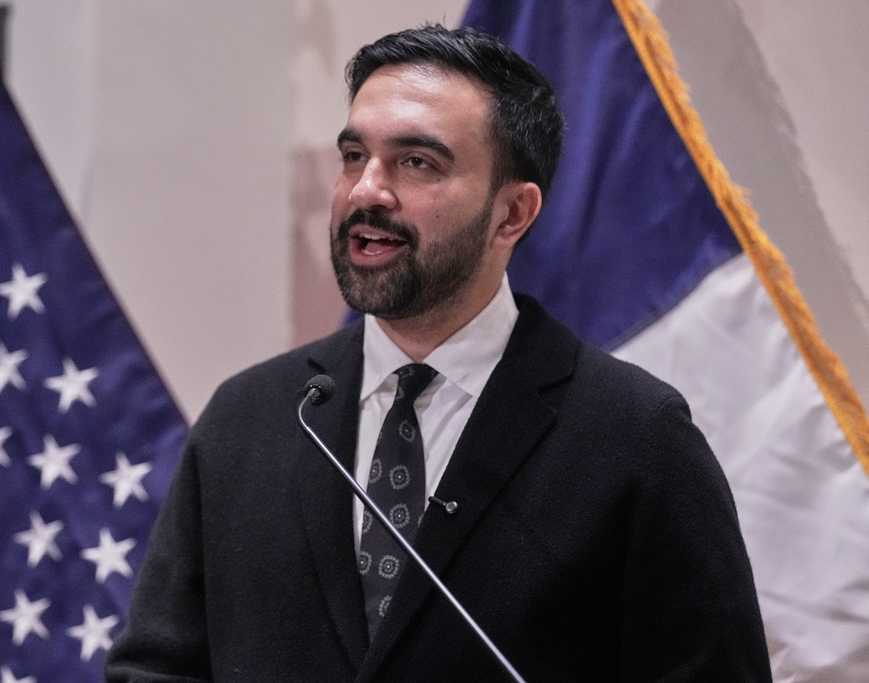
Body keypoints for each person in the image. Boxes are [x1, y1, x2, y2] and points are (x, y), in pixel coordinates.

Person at [106, 25, 771, 682]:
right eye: (353, 156)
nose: (366, 190)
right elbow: (156, 669)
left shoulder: (636, 438)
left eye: (416, 162)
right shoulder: (249, 418)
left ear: (512, 214)